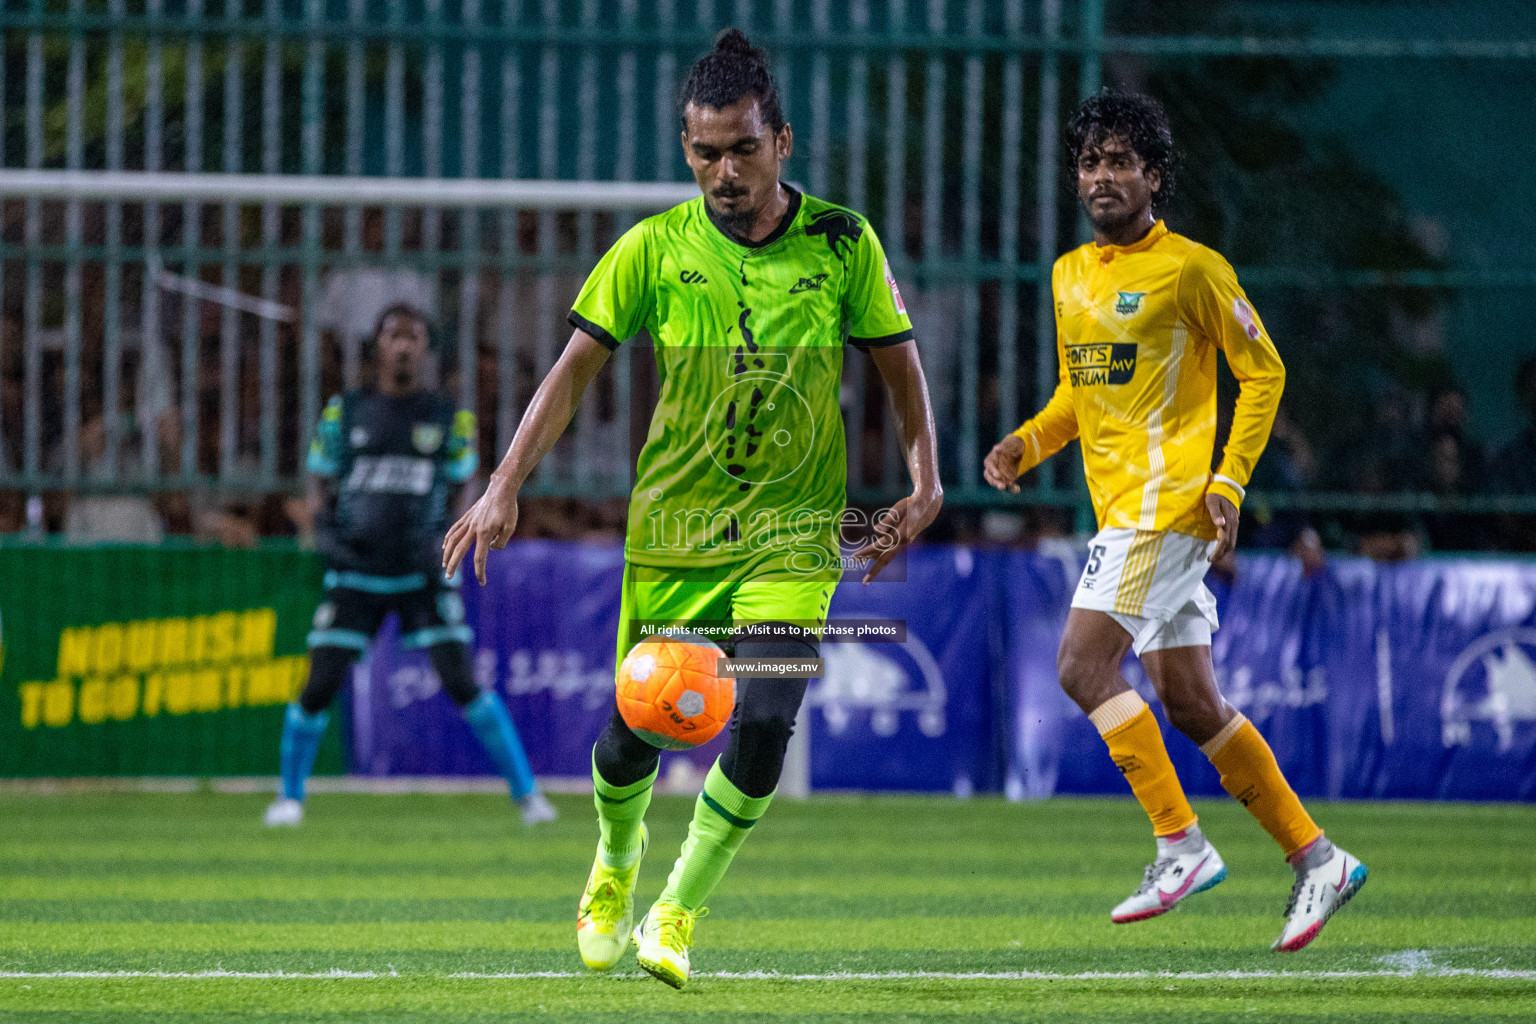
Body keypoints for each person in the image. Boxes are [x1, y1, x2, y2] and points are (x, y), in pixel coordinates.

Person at [443, 29, 941, 988]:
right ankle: (614, 868)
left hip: (794, 537)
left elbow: (900, 368)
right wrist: (505, 482)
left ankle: (676, 912)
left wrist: (925, 479)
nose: (724, 169)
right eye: (705, 150)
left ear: (782, 142)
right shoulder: (651, 248)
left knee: (763, 720)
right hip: (677, 533)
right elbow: (572, 369)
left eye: (743, 148)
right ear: (686, 149)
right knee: (637, 730)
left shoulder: (842, 241)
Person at [983, 91, 1366, 953]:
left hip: (1171, 508)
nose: (1103, 176)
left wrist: (1230, 482)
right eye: (1091, 162)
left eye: (1121, 161)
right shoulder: (1069, 276)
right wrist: (1025, 445)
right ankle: (1318, 858)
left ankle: (1179, 842)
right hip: (1124, 515)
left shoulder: (1195, 269)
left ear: (1153, 175)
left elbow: (1262, 374)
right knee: (1193, 702)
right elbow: (1081, 397)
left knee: (1083, 666)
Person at [265, 304, 555, 827]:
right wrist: (321, 530)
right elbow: (318, 478)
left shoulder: (449, 417)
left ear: (426, 348)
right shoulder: (345, 411)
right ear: (378, 344)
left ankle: (529, 797)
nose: (403, 345)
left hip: (422, 571)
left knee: (462, 682)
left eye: (414, 336)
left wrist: (452, 534)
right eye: (394, 335)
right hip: (355, 569)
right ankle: (289, 799)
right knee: (319, 685)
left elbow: (468, 481)